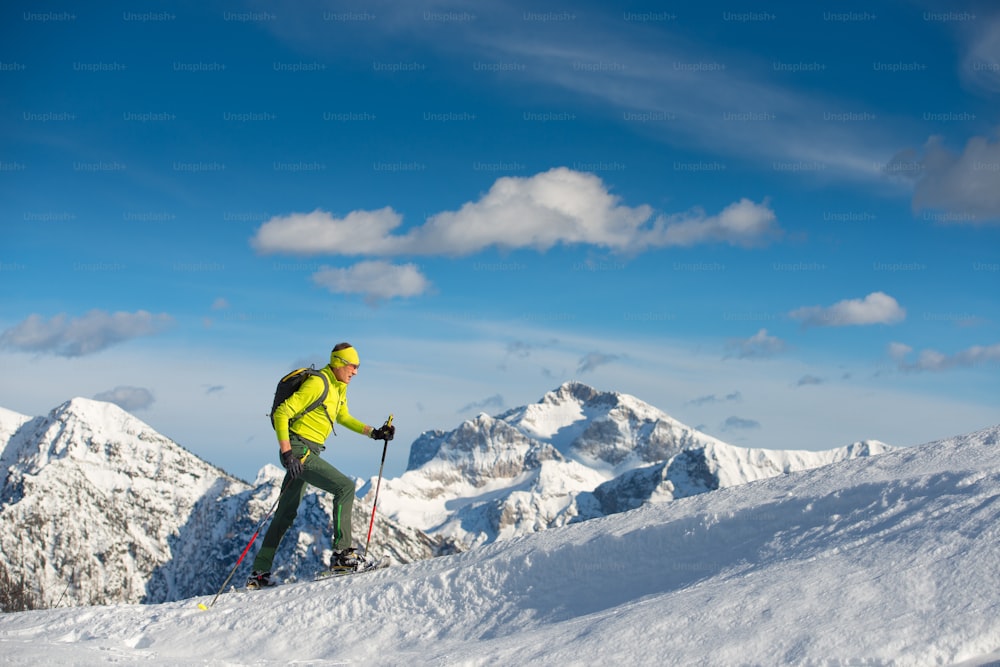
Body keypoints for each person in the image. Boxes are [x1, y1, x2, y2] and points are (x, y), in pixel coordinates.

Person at [247, 342, 394, 589]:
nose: (355, 372)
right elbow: (283, 412)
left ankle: (259, 573)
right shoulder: (319, 383)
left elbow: (343, 417)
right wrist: (287, 454)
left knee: (285, 513)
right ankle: (342, 556)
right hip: (299, 450)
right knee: (345, 487)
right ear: (338, 362)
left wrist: (375, 433)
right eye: (353, 366)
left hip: (306, 451)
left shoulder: (339, 388)